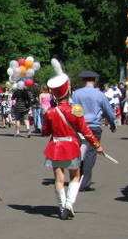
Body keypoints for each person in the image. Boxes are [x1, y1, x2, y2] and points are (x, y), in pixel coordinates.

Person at [43, 61, 104, 219]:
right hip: (71, 146)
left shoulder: (50, 111)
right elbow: (85, 130)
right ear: (68, 90)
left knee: (59, 178)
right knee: (75, 176)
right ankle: (70, 203)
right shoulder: (76, 109)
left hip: (55, 146)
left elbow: (45, 132)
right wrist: (97, 145)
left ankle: (62, 207)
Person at [73, 71, 116, 192]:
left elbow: (75, 110)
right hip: (94, 126)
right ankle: (84, 181)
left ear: (83, 80)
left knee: (80, 151)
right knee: (91, 153)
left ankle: (77, 177)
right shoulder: (99, 94)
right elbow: (108, 110)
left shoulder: (77, 94)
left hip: (81, 126)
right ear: (94, 80)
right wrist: (112, 122)